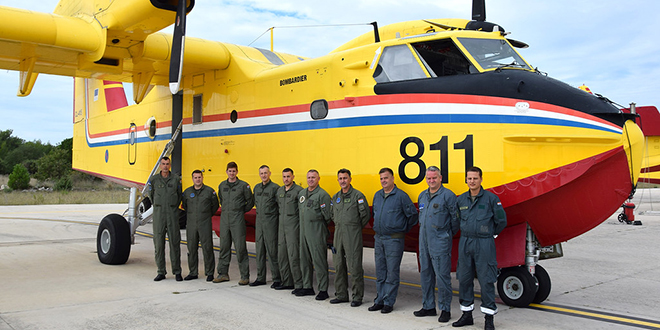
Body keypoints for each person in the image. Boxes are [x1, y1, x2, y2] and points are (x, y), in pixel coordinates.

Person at [452, 166, 507, 330]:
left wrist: (490, 234)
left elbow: (501, 221)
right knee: (464, 278)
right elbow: (457, 220)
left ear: (481, 179)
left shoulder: (491, 199)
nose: (472, 181)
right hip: (466, 242)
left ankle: (489, 318)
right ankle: (466, 314)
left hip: (484, 243)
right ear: (466, 180)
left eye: (475, 178)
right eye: (469, 178)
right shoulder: (460, 200)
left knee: (486, 279)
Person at [369, 167, 418, 313]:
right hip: (379, 239)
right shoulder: (377, 195)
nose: (383, 181)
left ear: (392, 179)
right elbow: (374, 214)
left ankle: (388, 302)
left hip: (394, 240)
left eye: (386, 178)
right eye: (381, 178)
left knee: (392, 272)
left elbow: (413, 216)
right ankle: (379, 300)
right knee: (380, 271)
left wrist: (402, 228)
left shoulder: (401, 196)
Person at [414, 166, 459, 322]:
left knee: (442, 277)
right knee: (425, 275)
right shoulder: (422, 196)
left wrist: (445, 235)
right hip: (424, 241)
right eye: (428, 178)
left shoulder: (448, 196)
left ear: (440, 178)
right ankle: (428, 306)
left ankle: (445, 309)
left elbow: (455, 220)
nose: (431, 181)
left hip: (440, 241)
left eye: (434, 178)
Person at [329, 169, 370, 307]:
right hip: (338, 233)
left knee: (355, 266)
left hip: (353, 234)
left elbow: (365, 216)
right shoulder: (335, 197)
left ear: (350, 179)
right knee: (339, 265)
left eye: (345, 178)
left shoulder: (358, 196)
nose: (343, 181)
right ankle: (341, 295)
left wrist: (354, 227)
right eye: (340, 178)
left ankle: (357, 297)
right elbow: (332, 214)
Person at [214, 162, 254, 285]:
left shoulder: (243, 186)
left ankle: (245, 276)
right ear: (226, 172)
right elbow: (221, 199)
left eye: (234, 171)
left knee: (240, 247)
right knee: (224, 247)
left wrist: (241, 210)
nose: (232, 173)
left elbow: (250, 202)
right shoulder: (222, 185)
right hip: (225, 219)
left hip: (238, 219)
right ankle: (222, 273)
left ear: (237, 172)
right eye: (229, 171)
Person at [297, 169, 332, 300]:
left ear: (318, 179)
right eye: (309, 177)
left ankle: (323, 289)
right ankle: (307, 287)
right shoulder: (302, 193)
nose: (311, 179)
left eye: (313, 177)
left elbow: (327, 216)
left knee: (319, 261)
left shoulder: (322, 195)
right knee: (304, 259)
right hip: (303, 231)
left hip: (316, 232)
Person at [147, 156, 183, 282]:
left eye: (167, 164)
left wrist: (172, 206)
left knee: (174, 243)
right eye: (163, 164)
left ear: (170, 165)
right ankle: (161, 271)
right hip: (159, 215)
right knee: (159, 244)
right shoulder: (154, 180)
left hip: (172, 215)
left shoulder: (176, 179)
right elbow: (151, 196)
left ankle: (177, 271)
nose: (165, 166)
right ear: (160, 165)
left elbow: (179, 196)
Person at [181, 169, 219, 282]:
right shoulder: (187, 192)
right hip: (192, 224)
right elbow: (185, 206)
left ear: (202, 178)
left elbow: (215, 206)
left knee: (207, 248)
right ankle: (193, 272)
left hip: (205, 223)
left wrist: (206, 215)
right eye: (195, 177)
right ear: (192, 179)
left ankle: (210, 272)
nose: (198, 179)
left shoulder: (209, 191)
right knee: (191, 248)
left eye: (199, 177)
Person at [250, 165, 281, 287]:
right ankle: (260, 277)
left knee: (272, 251)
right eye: (261, 173)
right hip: (260, 223)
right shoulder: (257, 188)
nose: (263, 175)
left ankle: (277, 278)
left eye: (265, 173)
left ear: (270, 173)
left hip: (271, 223)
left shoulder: (275, 188)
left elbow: (280, 206)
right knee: (260, 251)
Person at [275, 168, 304, 293]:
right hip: (281, 227)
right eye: (284, 176)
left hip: (293, 227)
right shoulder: (280, 191)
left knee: (294, 256)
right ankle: (287, 281)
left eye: (288, 176)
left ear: (293, 177)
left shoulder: (299, 191)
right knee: (282, 255)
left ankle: (299, 284)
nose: (286, 179)